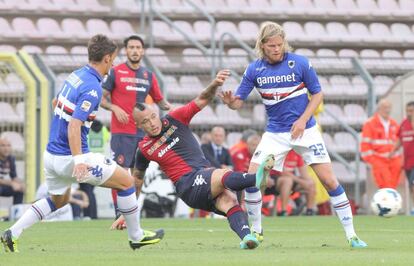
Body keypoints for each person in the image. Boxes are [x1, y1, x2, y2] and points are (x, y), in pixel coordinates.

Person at [1, 34, 164, 253]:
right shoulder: (93, 88)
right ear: (106, 58)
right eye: (113, 59)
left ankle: (13, 232)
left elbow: (56, 102)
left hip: (51, 156)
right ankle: (136, 236)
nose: (114, 63)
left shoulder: (76, 75)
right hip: (71, 157)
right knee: (127, 182)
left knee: (59, 200)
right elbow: (74, 125)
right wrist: (78, 160)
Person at [220, 21, 367, 248]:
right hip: (276, 133)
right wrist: (231, 103)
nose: (277, 49)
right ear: (262, 45)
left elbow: (317, 94)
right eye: (272, 46)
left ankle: (352, 235)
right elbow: (238, 102)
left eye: (280, 44)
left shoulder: (299, 63)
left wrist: (301, 120)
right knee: (252, 178)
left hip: (306, 130)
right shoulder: (254, 69)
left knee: (329, 179)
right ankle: (256, 232)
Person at [113, 70, 275, 249]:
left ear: (157, 114)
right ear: (137, 125)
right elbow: (136, 181)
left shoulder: (175, 119)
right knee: (221, 175)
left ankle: (247, 238)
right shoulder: (143, 149)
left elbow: (202, 99)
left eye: (153, 117)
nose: (152, 123)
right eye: (145, 121)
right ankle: (254, 178)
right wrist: (126, 213)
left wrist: (215, 84)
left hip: (202, 177)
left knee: (229, 200)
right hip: (187, 184)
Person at [100, 35, 171, 217]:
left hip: (142, 134)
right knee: (119, 175)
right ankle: (119, 214)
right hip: (121, 133)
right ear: (126, 50)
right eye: (131, 47)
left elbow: (160, 101)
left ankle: (131, 213)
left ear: (143, 51)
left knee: (137, 176)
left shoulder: (148, 75)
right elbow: (101, 98)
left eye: (138, 47)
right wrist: (114, 107)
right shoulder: (116, 72)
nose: (134, 50)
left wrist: (174, 110)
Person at [360, 99, 401, 189]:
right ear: (378, 109)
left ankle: (391, 202)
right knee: (385, 186)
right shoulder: (370, 124)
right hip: (379, 160)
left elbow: (399, 142)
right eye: (384, 107)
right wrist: (373, 161)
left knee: (393, 187)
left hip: (394, 161)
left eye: (389, 107)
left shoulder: (394, 124)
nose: (387, 110)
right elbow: (365, 145)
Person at [267, 150, 316, 216]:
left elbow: (304, 174)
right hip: (275, 179)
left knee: (311, 183)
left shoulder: (296, 154)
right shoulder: (279, 152)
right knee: (287, 181)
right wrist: (302, 182)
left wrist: (308, 182)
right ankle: (284, 211)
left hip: (292, 179)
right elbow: (283, 173)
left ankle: (309, 211)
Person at [394, 101, 414, 214]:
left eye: (411, 111)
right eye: (407, 111)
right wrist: (392, 152)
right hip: (408, 162)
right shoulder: (404, 123)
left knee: (413, 185)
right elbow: (400, 140)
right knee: (411, 187)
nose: (409, 113)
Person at [0, 138, 25, 205]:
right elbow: (11, 182)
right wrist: (11, 183)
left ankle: (16, 213)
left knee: (19, 189)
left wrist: (21, 183)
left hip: (2, 187)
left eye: (8, 145)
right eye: (3, 145)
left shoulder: (11, 158)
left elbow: (14, 176)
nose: (6, 148)